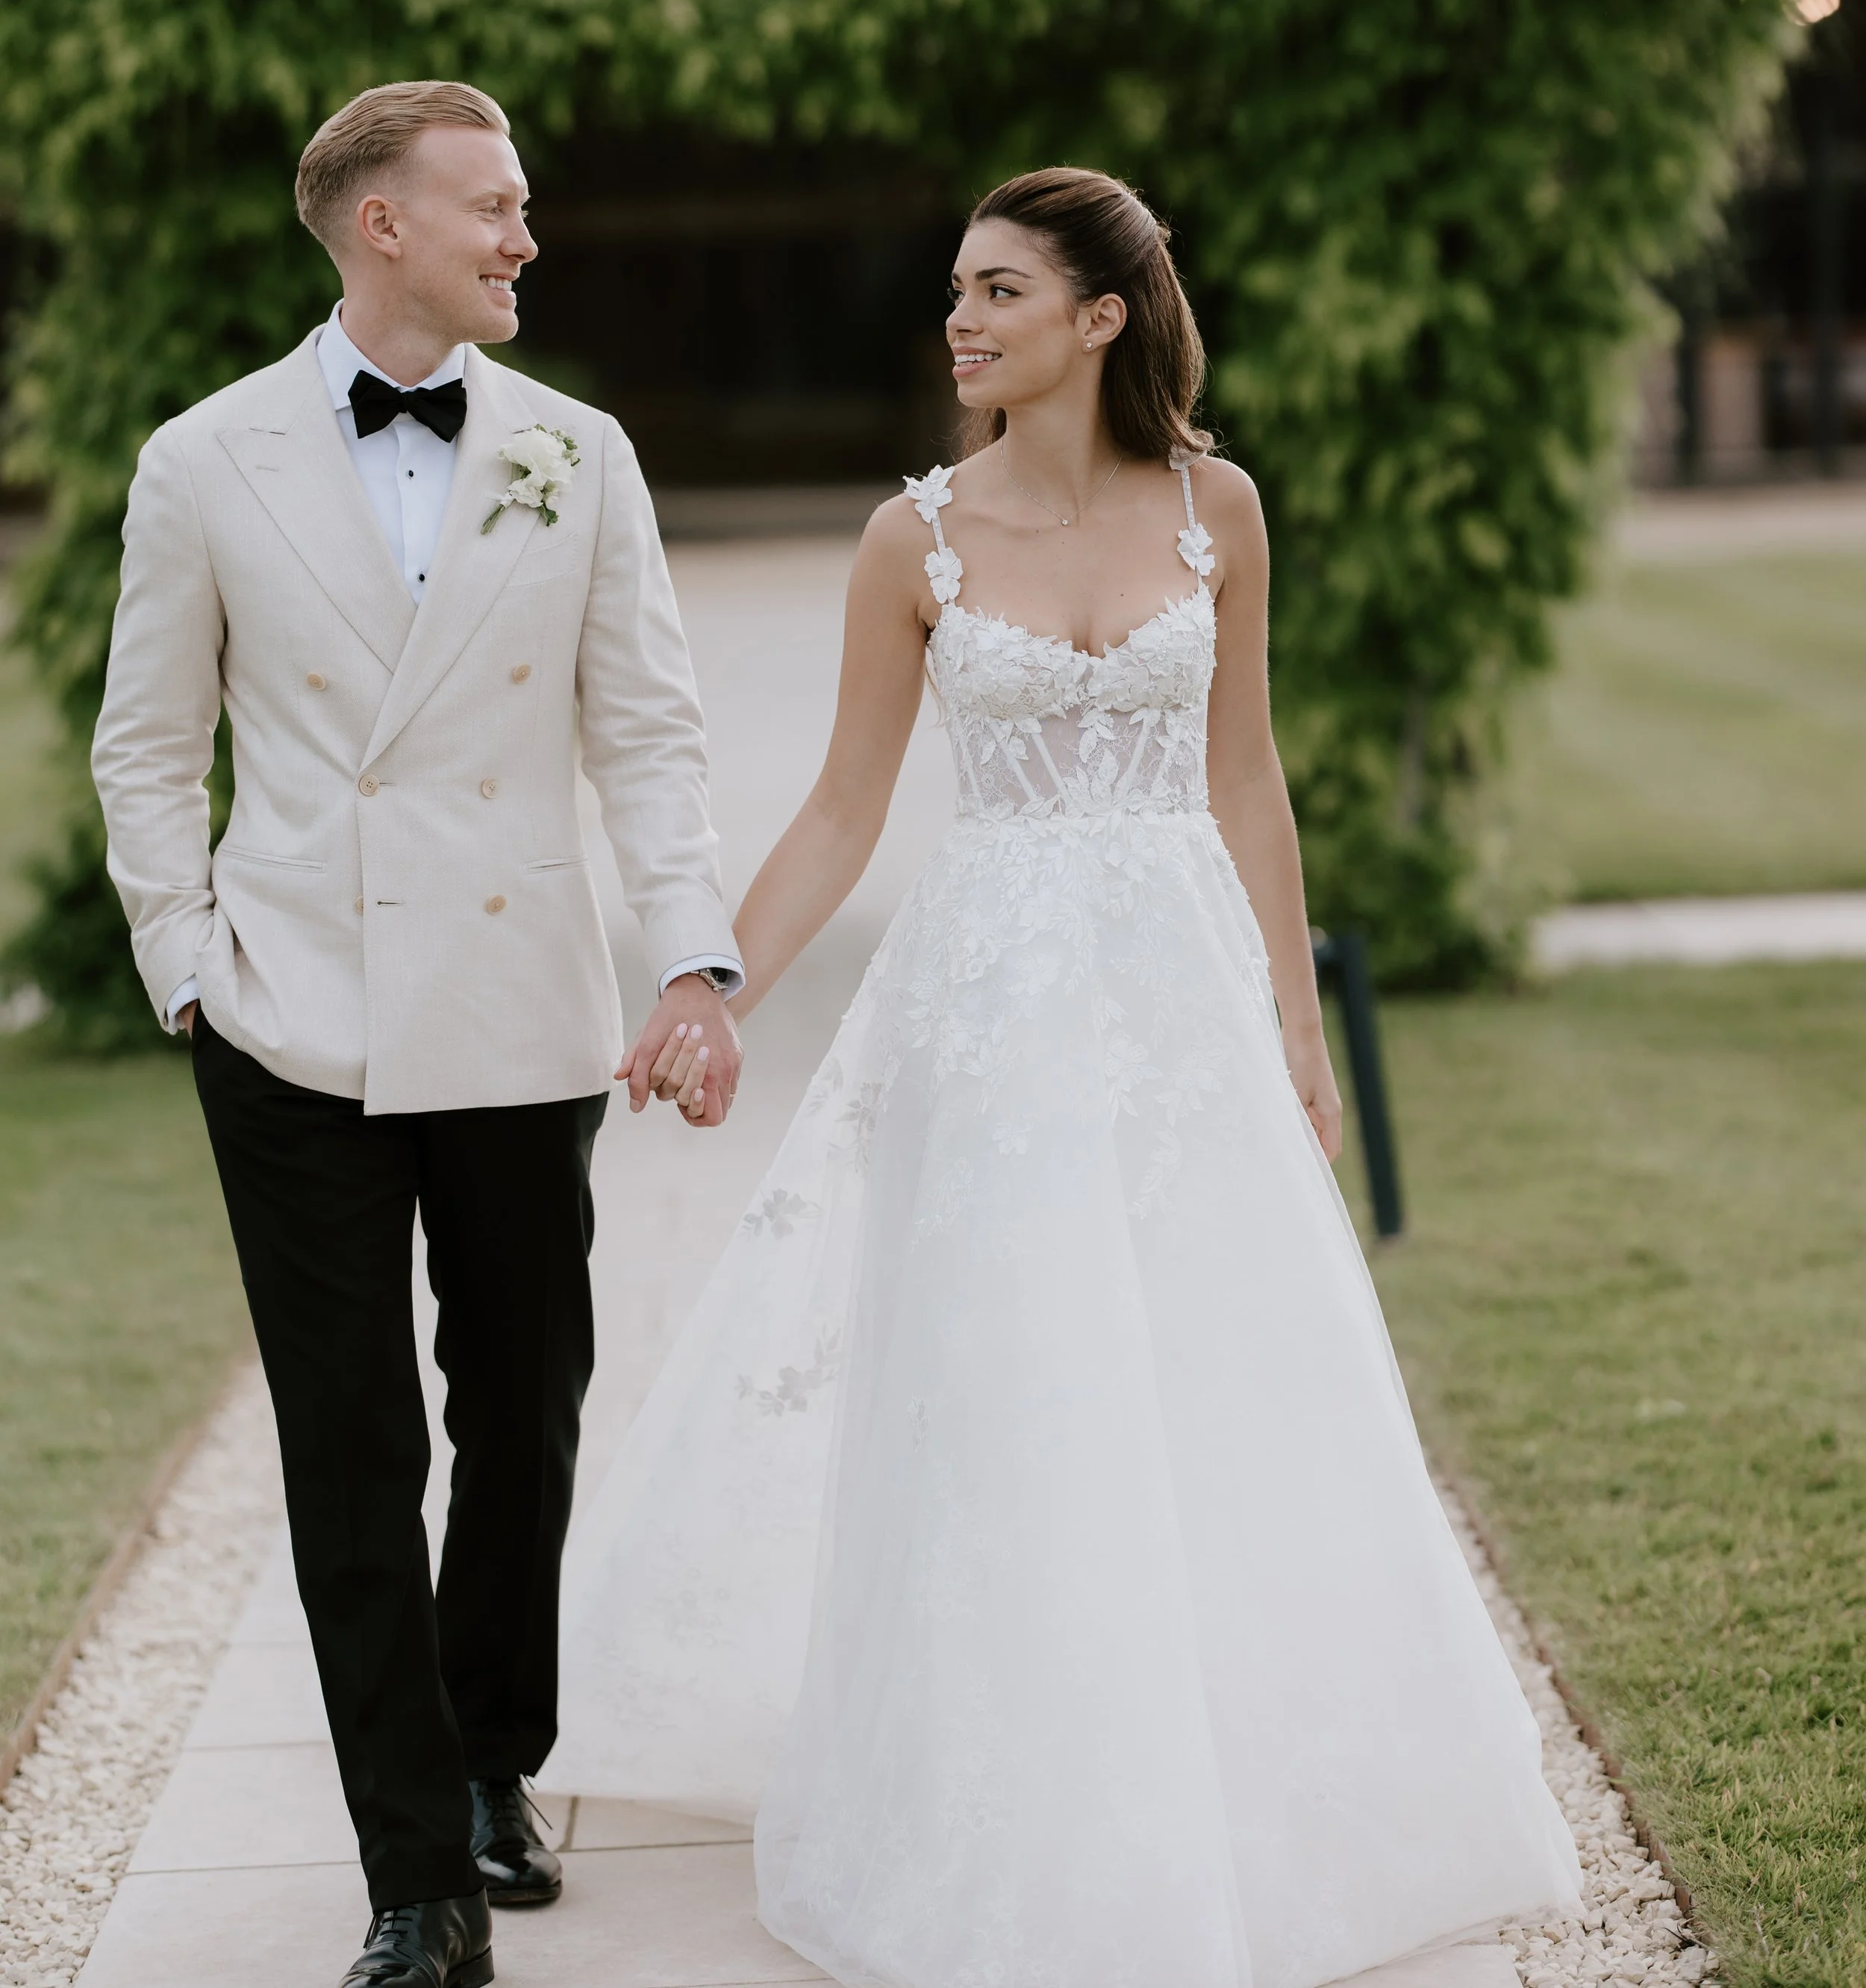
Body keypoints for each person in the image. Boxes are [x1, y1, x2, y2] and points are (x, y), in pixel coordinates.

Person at [549, 165, 1582, 1988]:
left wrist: (1287, 1015)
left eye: (999, 290)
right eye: (956, 289)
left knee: (1211, 1361)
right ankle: (1013, 1806)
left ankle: (1238, 1780)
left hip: (1177, 995)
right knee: (1016, 1379)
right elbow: (845, 809)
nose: (960, 319)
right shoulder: (914, 542)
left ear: (1100, 318)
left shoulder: (1217, 510)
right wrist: (709, 982)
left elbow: (1244, 774)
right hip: (995, 1012)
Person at [90, 80, 745, 1988]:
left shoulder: (578, 453)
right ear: (381, 223)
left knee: (521, 1413)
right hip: (286, 1020)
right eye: (495, 206)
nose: (524, 237)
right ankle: (414, 1880)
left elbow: (647, 728)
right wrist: (186, 965)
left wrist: (688, 958)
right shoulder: (201, 462)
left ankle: (490, 1762)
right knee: (349, 1449)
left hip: (520, 1007)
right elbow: (147, 744)